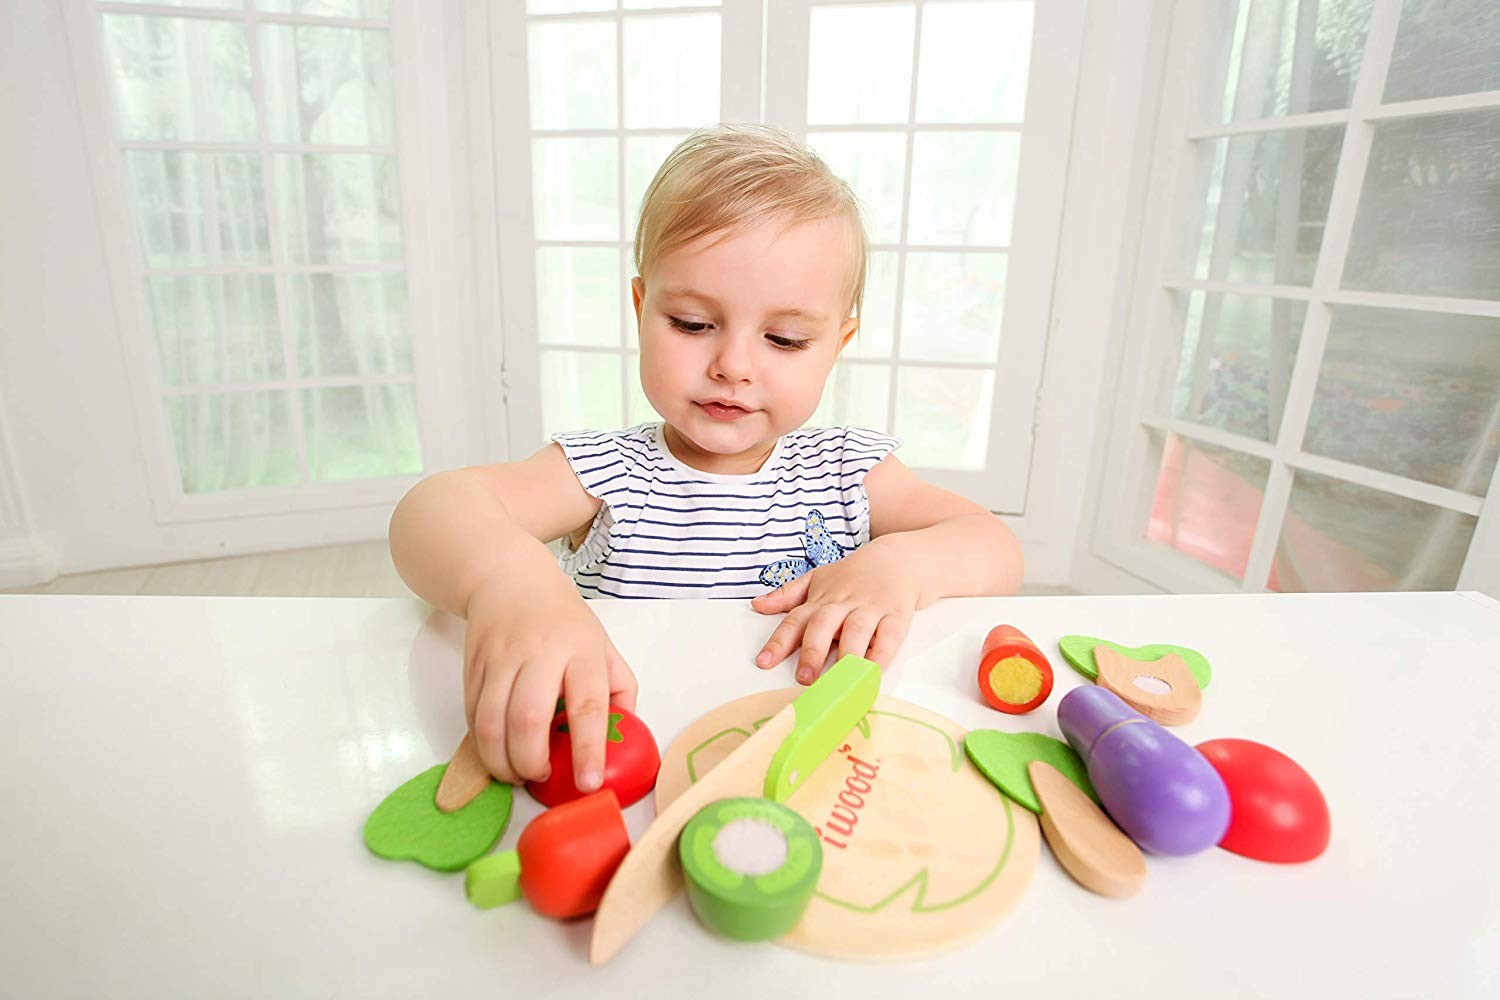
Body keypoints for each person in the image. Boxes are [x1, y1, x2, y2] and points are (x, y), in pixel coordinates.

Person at [389, 123, 1023, 795]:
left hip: (804, 774)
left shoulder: (848, 473)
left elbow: (996, 546)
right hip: (620, 774)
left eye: (784, 339)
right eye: (693, 324)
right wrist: (509, 584)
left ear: (836, 345)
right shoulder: (610, 471)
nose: (733, 366)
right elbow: (434, 509)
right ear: (641, 309)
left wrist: (901, 564)